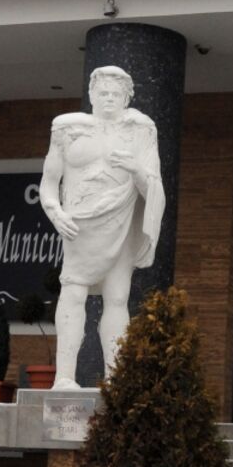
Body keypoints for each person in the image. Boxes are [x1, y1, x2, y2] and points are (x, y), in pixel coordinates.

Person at [39, 66, 165, 390]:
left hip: (120, 221)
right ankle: (64, 376)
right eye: (103, 93)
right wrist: (55, 213)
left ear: (126, 98)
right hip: (78, 225)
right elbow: (49, 182)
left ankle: (116, 377)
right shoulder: (67, 128)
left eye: (116, 94)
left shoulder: (141, 130)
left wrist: (135, 168)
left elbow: (153, 185)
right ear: (92, 95)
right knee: (73, 291)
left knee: (117, 297)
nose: (109, 99)